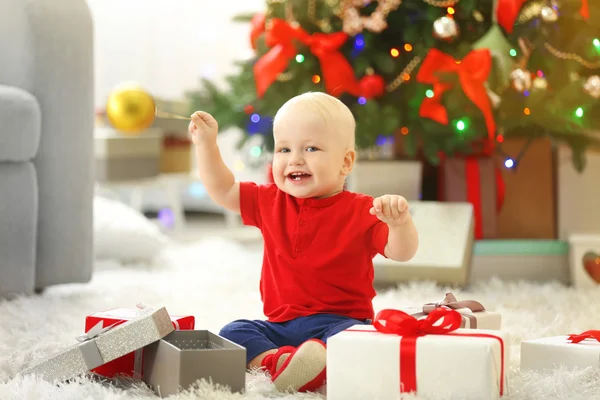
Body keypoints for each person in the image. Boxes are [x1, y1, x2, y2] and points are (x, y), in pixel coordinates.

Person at [189, 92, 419, 393]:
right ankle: (279, 362)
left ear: (346, 162)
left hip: (340, 323)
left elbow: (402, 252)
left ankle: (313, 361)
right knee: (233, 332)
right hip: (281, 326)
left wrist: (399, 223)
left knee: (362, 338)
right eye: (283, 149)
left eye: (311, 148)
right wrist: (207, 145)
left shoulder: (363, 209)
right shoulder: (268, 200)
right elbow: (223, 189)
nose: (294, 159)